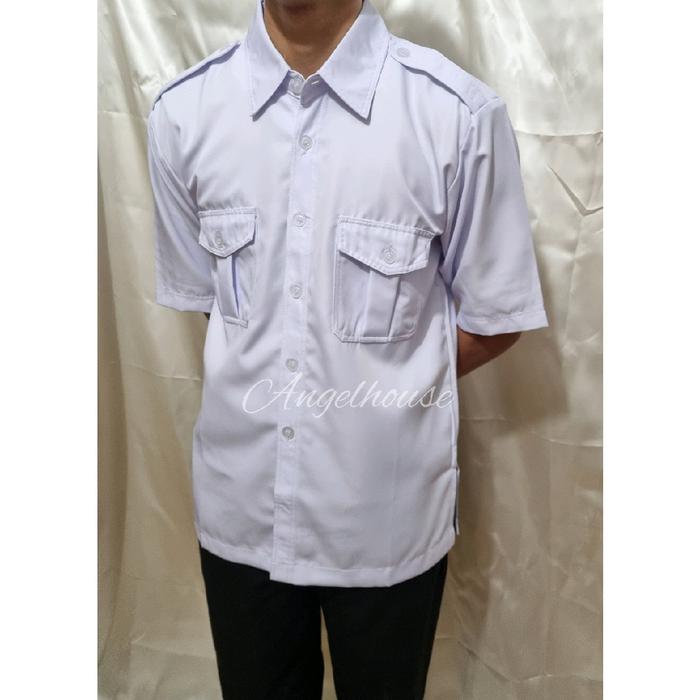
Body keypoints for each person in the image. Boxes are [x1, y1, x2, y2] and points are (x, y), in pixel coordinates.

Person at [146, 0, 548, 697]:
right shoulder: (182, 114)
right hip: (241, 513)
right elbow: (216, 305)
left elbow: (494, 315)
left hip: (385, 519)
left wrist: (384, 389)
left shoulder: (456, 115)